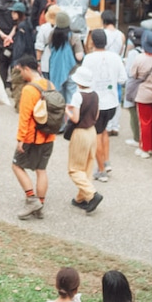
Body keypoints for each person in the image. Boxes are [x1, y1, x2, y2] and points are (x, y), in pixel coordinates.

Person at [13, 59, 60, 220]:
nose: (21, 74)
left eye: (21, 71)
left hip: (32, 138)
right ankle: (40, 204)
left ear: (27, 69)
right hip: (49, 135)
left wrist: (20, 139)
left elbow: (25, 117)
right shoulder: (49, 84)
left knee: (17, 165)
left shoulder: (29, 89)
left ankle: (31, 199)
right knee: (41, 170)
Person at [80, 28, 124, 182]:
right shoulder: (115, 57)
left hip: (95, 102)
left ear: (92, 41)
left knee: (96, 134)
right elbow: (122, 79)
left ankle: (101, 170)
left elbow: (83, 80)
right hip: (111, 102)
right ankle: (106, 161)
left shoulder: (89, 59)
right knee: (103, 130)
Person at [65, 68, 103, 213]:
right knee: (87, 165)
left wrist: (67, 111)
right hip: (92, 132)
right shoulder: (95, 95)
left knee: (74, 168)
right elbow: (97, 114)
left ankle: (92, 194)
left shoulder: (77, 96)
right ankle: (81, 197)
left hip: (80, 133)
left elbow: (75, 118)